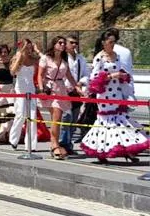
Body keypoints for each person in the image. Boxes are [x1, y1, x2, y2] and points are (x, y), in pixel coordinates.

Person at [80, 30, 150, 163]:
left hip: (116, 92)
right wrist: (113, 76)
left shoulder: (116, 56)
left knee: (121, 120)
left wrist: (123, 76)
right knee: (107, 121)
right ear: (103, 43)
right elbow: (94, 78)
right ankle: (103, 151)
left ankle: (127, 149)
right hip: (105, 94)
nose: (112, 45)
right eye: (110, 42)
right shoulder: (99, 58)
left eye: (114, 42)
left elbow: (120, 70)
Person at [37, 36, 78, 160]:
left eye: (63, 43)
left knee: (57, 117)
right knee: (56, 115)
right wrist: (41, 89)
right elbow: (40, 74)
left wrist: (77, 88)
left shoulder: (64, 59)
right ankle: (55, 144)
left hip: (60, 88)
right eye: (60, 43)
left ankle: (54, 144)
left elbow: (69, 76)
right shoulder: (46, 58)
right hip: (49, 88)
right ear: (54, 44)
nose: (62, 45)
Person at [59, 34, 89, 155]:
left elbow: (87, 73)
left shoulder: (80, 58)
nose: (74, 45)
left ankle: (69, 143)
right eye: (71, 42)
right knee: (67, 117)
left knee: (74, 118)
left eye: (76, 43)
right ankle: (62, 143)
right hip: (65, 91)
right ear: (66, 44)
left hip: (77, 91)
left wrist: (81, 82)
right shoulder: (62, 58)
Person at [9, 39, 40, 151]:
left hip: (31, 89)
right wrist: (19, 58)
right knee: (21, 114)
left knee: (32, 117)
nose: (29, 49)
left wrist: (37, 50)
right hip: (20, 89)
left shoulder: (33, 59)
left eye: (30, 47)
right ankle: (13, 139)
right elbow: (12, 72)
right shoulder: (18, 57)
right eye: (27, 47)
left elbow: (44, 59)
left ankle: (31, 144)